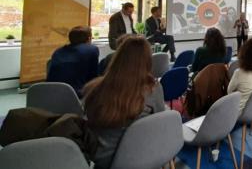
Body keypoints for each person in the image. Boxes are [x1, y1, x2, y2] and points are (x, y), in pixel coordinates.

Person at [83, 36, 165, 169]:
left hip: (103, 160)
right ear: (148, 61)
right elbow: (160, 123)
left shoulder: (93, 89)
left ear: (118, 57)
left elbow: (89, 127)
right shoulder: (153, 90)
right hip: (142, 156)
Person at [47, 26, 99, 98]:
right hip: (76, 95)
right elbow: (93, 77)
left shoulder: (58, 51)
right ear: (89, 38)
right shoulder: (91, 49)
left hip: (50, 94)